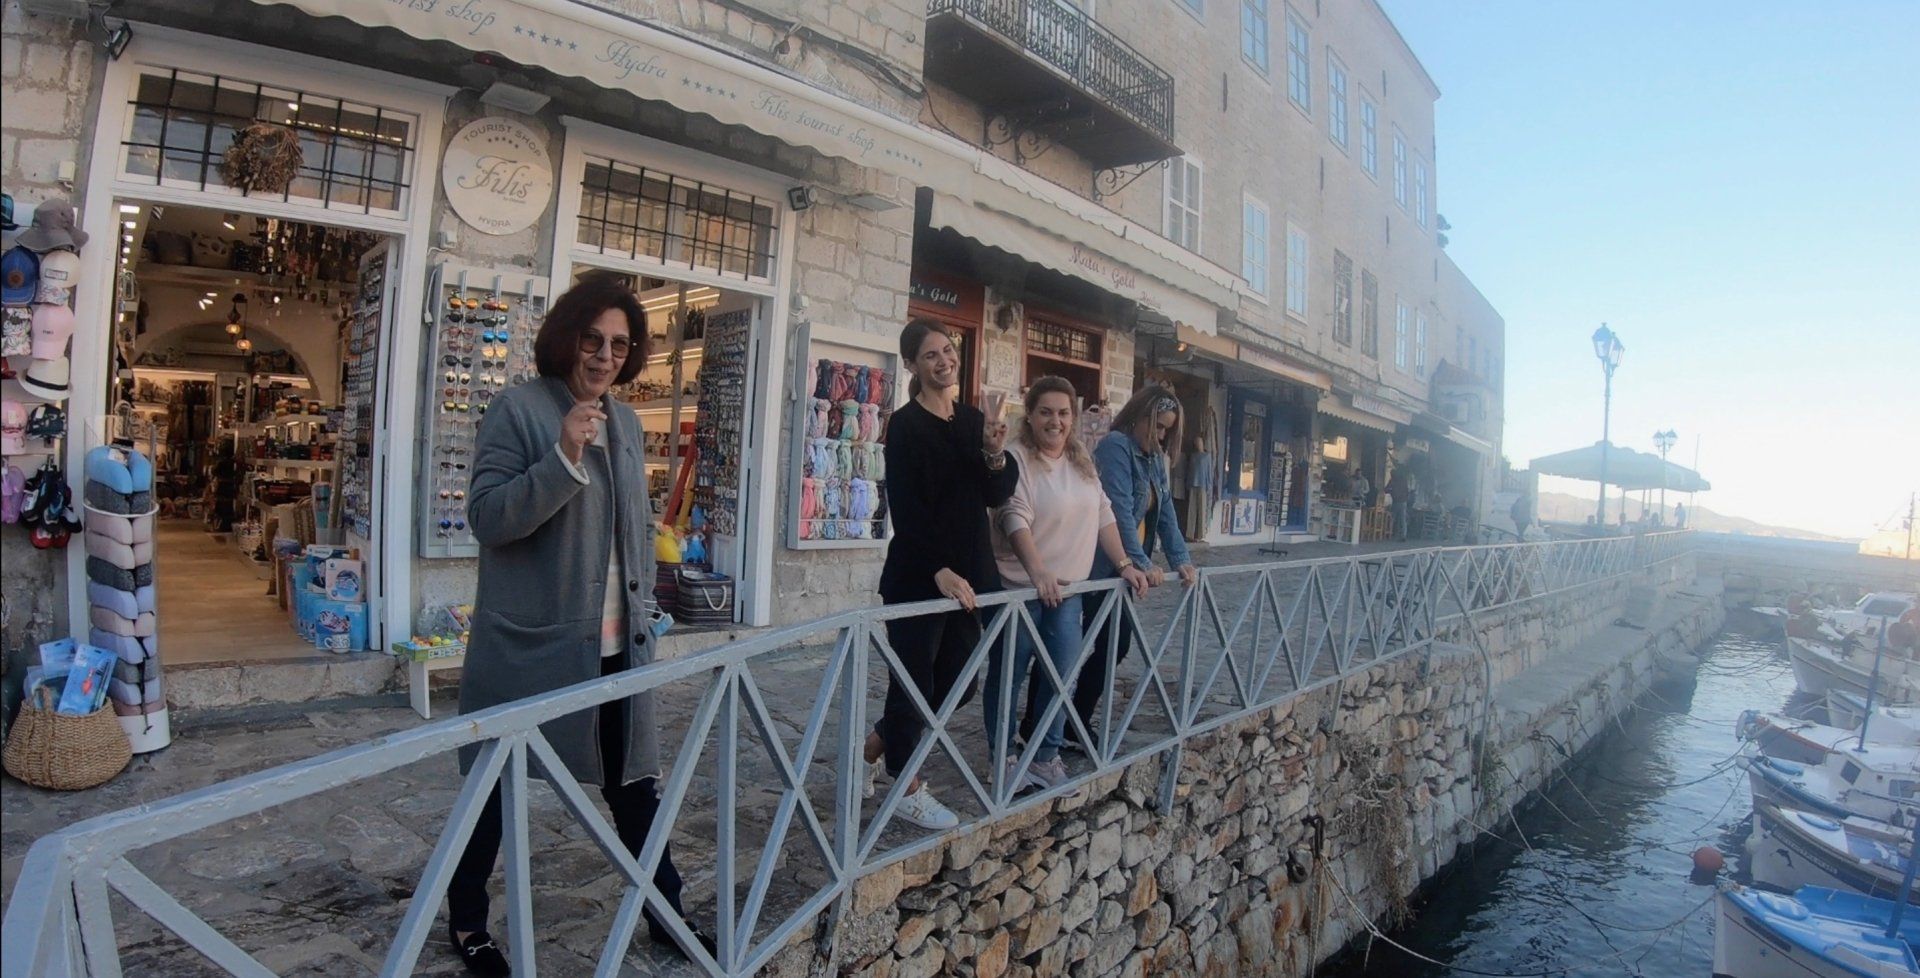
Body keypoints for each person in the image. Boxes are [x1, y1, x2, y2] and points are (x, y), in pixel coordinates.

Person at [448, 279, 713, 975]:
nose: (602, 355)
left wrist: (648, 611)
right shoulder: (518, 409)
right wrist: (561, 458)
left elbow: (630, 529)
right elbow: (488, 518)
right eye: (592, 339)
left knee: (634, 786)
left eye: (619, 344)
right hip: (532, 647)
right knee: (492, 790)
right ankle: (468, 925)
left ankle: (667, 915)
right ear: (568, 335)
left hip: (616, 649)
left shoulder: (624, 422)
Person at [865, 318, 1018, 830]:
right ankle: (904, 786)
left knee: (958, 683)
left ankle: (874, 748)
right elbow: (906, 509)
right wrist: (938, 570)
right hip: (918, 575)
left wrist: (995, 452)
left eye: (948, 350)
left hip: (970, 578)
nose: (943, 360)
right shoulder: (905, 426)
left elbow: (995, 497)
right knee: (911, 682)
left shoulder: (974, 422)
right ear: (912, 365)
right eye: (930, 354)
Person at [985, 377, 1149, 789]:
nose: (1054, 421)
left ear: (1072, 418)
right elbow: (1013, 515)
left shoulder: (1082, 461)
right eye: (1046, 412)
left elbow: (1105, 514)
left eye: (1062, 413)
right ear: (1031, 415)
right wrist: (1037, 570)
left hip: (1069, 592)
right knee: (1010, 675)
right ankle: (1003, 759)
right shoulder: (1017, 458)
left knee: (1061, 676)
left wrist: (1125, 563)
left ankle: (1045, 755)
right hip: (1020, 590)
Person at [1056, 385, 1198, 749]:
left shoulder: (1153, 459)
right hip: (1095, 564)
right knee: (1070, 646)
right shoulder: (1116, 447)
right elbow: (1118, 509)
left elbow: (1165, 512)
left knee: (1113, 645)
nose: (1163, 436)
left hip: (1120, 569)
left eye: (1168, 429)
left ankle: (1072, 720)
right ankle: (1042, 727)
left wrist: (1181, 560)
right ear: (1140, 418)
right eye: (1159, 427)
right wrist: (1140, 562)